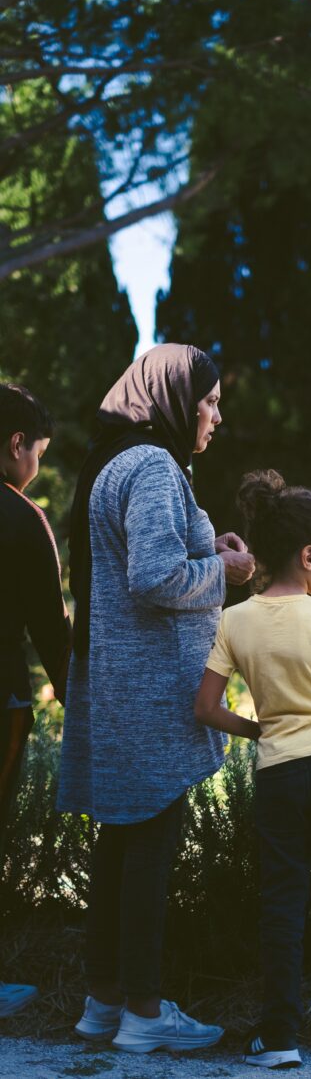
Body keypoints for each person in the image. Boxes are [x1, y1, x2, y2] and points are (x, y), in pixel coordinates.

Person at [57, 344, 256, 1052]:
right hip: (155, 694)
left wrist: (209, 545)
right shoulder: (151, 466)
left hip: (118, 682)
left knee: (120, 844)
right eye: (208, 401)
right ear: (173, 399)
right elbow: (154, 577)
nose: (216, 415)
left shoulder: (118, 460)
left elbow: (148, 558)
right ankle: (144, 1013)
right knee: (148, 852)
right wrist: (225, 569)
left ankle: (103, 1003)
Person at [195, 469, 311, 1069]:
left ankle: (279, 1038)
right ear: (308, 554)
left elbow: (207, 707)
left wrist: (256, 728)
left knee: (283, 902)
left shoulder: (234, 621)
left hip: (279, 774)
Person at [0, 384, 72, 1018]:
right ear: (16, 445)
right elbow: (52, 628)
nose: (37, 467)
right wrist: (83, 704)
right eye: (39, 451)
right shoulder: (22, 519)